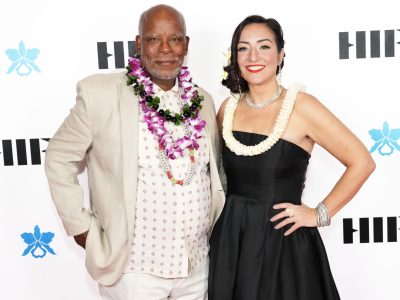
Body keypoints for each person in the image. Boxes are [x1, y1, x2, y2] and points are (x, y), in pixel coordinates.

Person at [45, 4, 225, 300]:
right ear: (139, 44)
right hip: (134, 272)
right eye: (154, 39)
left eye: (175, 39)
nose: (165, 49)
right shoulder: (100, 94)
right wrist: (81, 227)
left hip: (197, 268)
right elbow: (58, 157)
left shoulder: (202, 100)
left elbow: (214, 173)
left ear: (186, 45)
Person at [208, 15, 375, 300]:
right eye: (243, 48)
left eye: (264, 47)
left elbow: (362, 161)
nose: (253, 56)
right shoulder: (228, 108)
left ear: (280, 54)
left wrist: (319, 214)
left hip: (282, 242)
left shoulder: (302, 106)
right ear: (234, 56)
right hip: (233, 240)